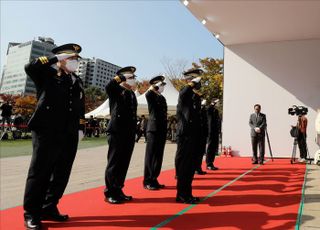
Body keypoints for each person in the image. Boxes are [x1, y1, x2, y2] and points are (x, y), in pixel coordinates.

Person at [23, 43, 85, 230]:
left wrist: (81, 127)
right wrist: (55, 59)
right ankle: (31, 213)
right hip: (47, 130)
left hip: (69, 131)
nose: (75, 62)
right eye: (71, 58)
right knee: (40, 172)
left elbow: (80, 106)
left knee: (61, 173)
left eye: (76, 59)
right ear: (61, 58)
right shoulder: (47, 74)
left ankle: (49, 207)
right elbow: (30, 67)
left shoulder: (77, 80)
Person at [104, 66, 137, 204]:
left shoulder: (131, 93)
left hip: (128, 131)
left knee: (124, 163)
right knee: (114, 163)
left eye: (133, 77)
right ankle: (110, 192)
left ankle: (118, 189)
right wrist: (121, 78)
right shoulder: (116, 90)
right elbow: (109, 86)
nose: (133, 79)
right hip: (117, 131)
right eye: (130, 77)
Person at [175, 68, 203, 204]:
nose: (199, 82)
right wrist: (191, 83)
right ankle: (181, 194)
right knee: (184, 165)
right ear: (189, 80)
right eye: (196, 79)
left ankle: (187, 193)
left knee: (190, 166)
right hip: (185, 134)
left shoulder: (195, 96)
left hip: (193, 134)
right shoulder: (184, 93)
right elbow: (185, 92)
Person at [143, 75, 168, 190]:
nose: (162, 87)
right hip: (153, 129)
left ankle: (154, 178)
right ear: (155, 85)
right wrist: (153, 87)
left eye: (163, 85)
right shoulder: (151, 94)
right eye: (161, 85)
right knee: (151, 155)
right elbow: (147, 94)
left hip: (161, 129)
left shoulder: (162, 98)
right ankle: (148, 180)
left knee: (159, 155)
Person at [206, 99, 221, 170]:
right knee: (210, 147)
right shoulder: (209, 109)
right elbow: (208, 109)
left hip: (215, 131)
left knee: (214, 148)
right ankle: (208, 164)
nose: (219, 104)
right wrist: (212, 104)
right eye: (218, 102)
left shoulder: (216, 111)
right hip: (210, 131)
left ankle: (211, 163)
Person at [194, 99, 208, 175]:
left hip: (203, 134)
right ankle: (196, 168)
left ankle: (198, 167)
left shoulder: (203, 110)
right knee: (197, 152)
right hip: (198, 134)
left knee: (201, 152)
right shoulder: (197, 110)